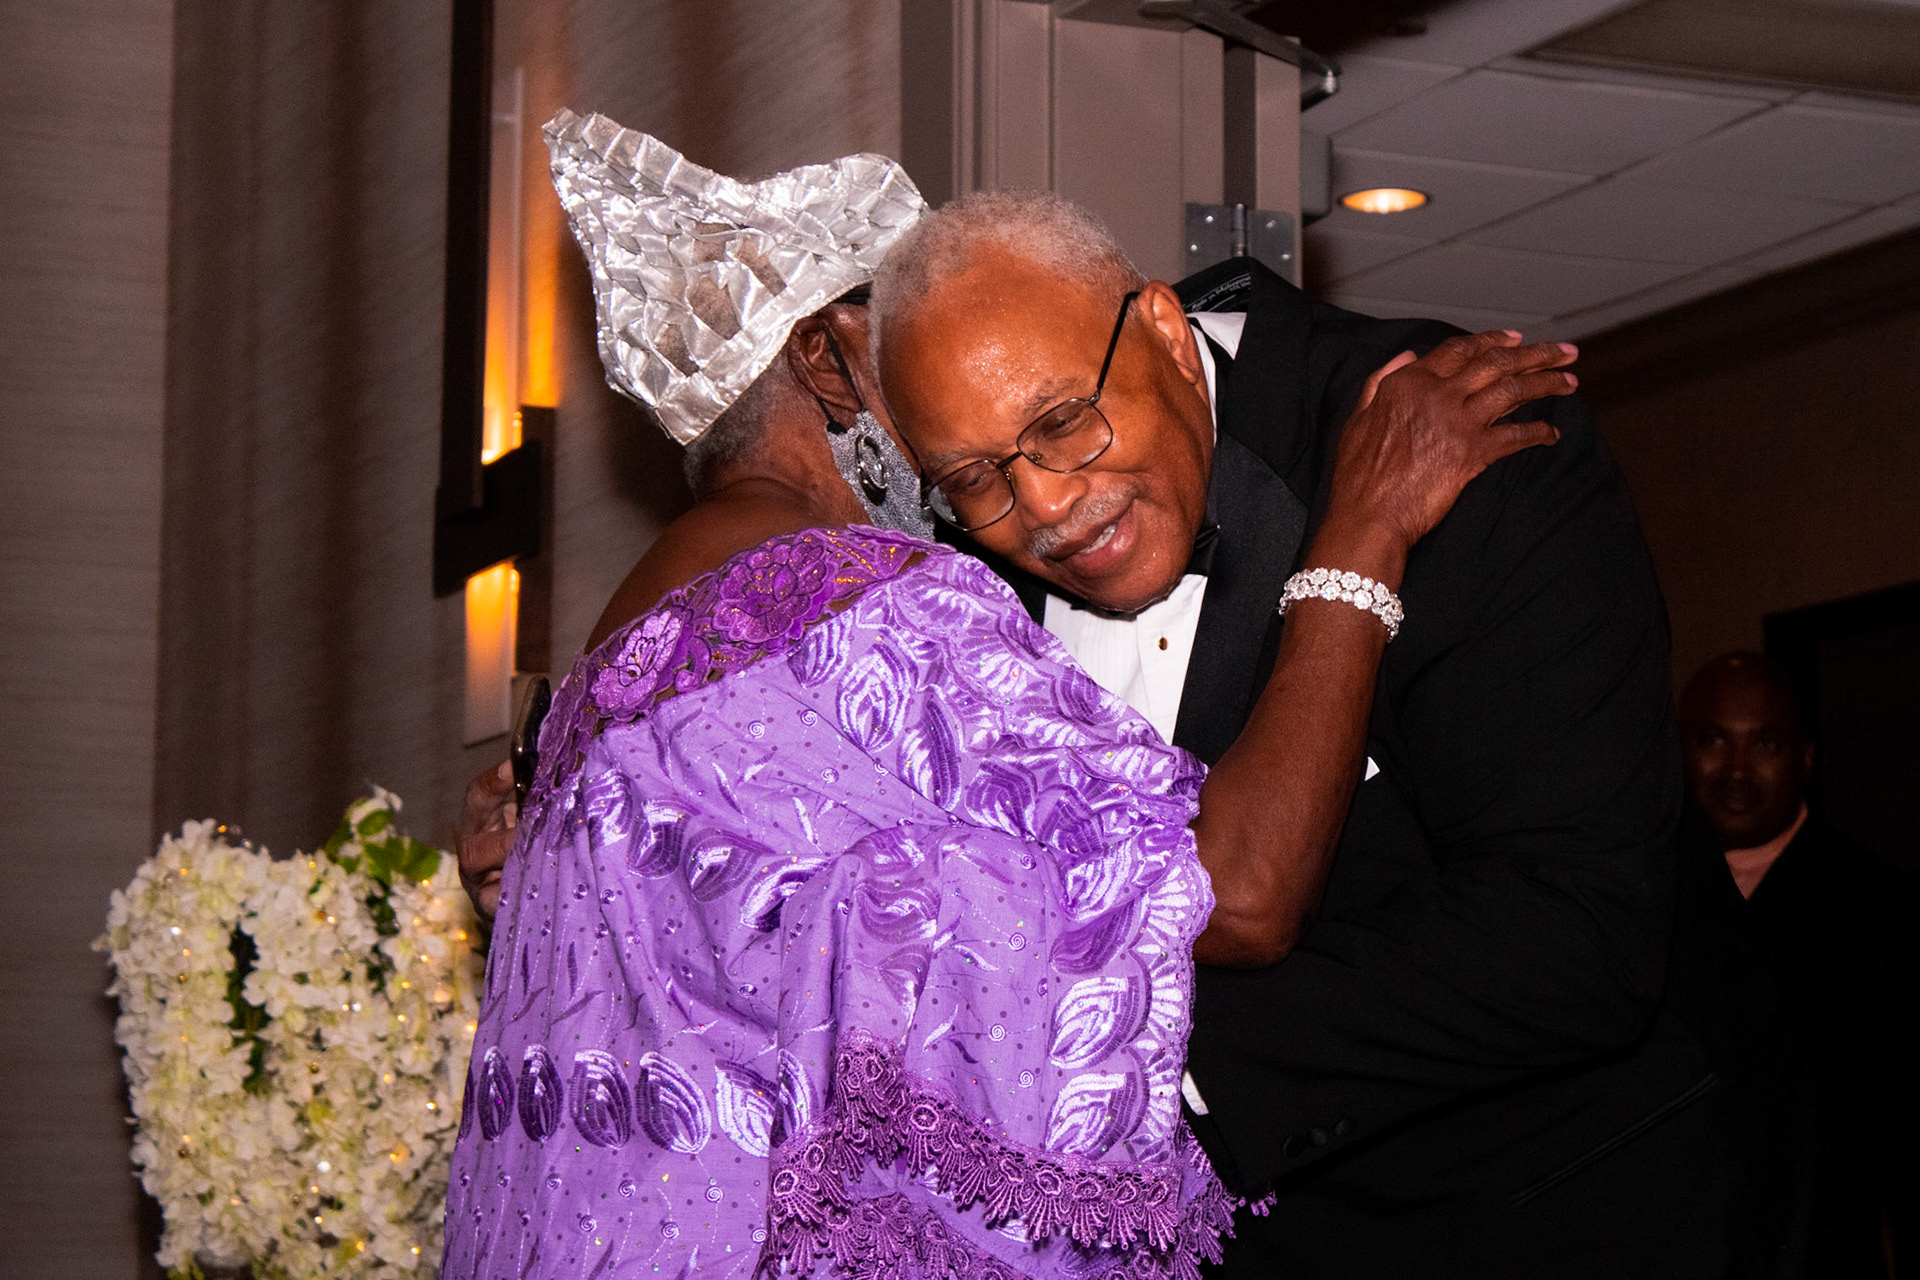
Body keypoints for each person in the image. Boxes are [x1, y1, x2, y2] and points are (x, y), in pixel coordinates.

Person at [442, 112, 1568, 1278]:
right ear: (831, 359)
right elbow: (1232, 892)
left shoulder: (606, 683)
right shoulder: (856, 602)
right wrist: (1361, 534)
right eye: (911, 343)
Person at [867, 192, 1742, 1277]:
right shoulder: (958, 589)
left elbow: (1577, 935)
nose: (1044, 504)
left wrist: (1137, 1058)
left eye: (1062, 422)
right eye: (974, 478)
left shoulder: (1463, 443)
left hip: (1579, 1213)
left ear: (1164, 334)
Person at [1681, 652, 1920, 1277]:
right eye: (1712, 740)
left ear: (1806, 759)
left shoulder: (1880, 911)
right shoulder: (1635, 896)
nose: (1736, 769)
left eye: (1765, 743)